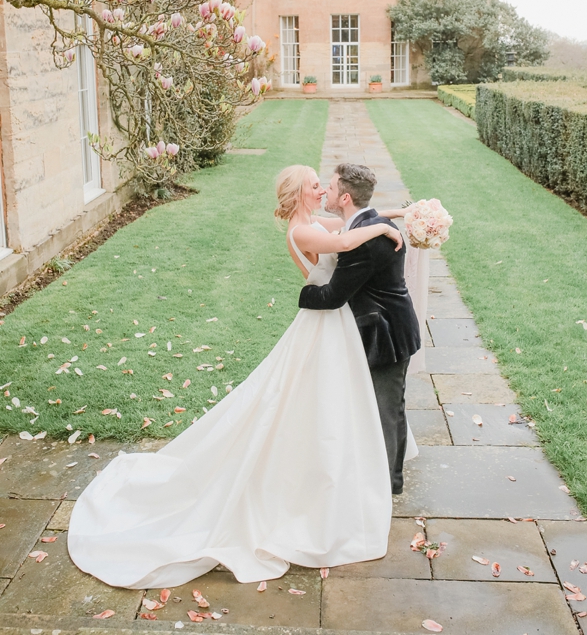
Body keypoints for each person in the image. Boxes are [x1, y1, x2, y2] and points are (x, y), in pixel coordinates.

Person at [68, 165, 407, 588]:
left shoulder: (311, 221)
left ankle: (326, 473)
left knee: (319, 401)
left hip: (330, 323)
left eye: (325, 184)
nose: (322, 189)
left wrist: (391, 216)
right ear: (299, 194)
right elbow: (343, 240)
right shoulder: (303, 231)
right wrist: (382, 232)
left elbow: (348, 225)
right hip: (324, 323)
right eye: (314, 185)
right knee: (304, 400)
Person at [297, 162, 422, 496]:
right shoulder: (368, 222)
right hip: (387, 329)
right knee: (387, 406)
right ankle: (384, 474)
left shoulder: (362, 243)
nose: (327, 190)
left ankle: (387, 484)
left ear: (346, 197)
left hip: (386, 336)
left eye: (332, 187)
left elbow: (332, 297)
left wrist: (305, 291)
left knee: (386, 409)